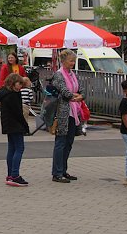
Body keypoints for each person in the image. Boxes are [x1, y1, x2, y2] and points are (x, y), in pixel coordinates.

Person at [51, 49, 84, 184]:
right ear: (63, 61)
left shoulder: (72, 74)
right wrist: (74, 96)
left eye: (73, 61)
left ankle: (63, 170)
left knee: (69, 142)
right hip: (63, 112)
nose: (73, 63)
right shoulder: (58, 75)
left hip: (74, 111)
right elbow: (63, 90)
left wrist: (80, 96)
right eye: (71, 61)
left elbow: (79, 89)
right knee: (60, 142)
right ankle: (57, 172)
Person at [0, 73, 29, 186]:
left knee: (12, 149)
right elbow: (18, 112)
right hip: (16, 124)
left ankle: (10, 174)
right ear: (13, 83)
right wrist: (25, 125)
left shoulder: (4, 93)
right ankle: (15, 174)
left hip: (8, 124)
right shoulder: (13, 95)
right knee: (19, 148)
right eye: (19, 83)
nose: (20, 86)